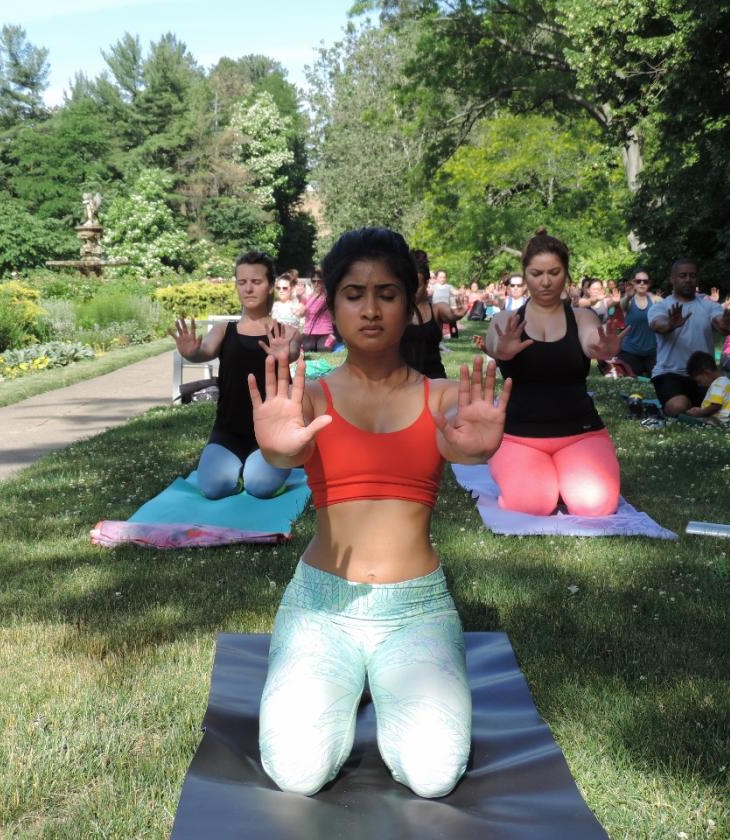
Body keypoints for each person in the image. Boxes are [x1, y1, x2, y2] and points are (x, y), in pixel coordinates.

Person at [251, 227, 511, 798]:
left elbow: (461, 444)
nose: (370, 309)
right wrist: (278, 449)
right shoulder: (309, 398)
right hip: (322, 607)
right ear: (332, 302)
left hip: (415, 611)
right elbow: (280, 448)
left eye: (388, 294)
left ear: (412, 301)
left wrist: (478, 448)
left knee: (434, 775)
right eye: (354, 293)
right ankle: (348, 682)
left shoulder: (441, 398)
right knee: (296, 772)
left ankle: (381, 684)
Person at [481, 229, 628, 517]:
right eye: (537, 273)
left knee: (595, 507)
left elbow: (590, 340)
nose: (546, 281)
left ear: (566, 274)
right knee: (531, 506)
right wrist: (503, 349)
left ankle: (562, 477)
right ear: (525, 275)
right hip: (518, 435)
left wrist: (601, 347)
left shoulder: (583, 317)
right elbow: (494, 345)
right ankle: (546, 480)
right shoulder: (504, 320)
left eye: (554, 272)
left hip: (581, 433)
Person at [171, 251, 300, 499]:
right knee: (213, 488)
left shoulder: (287, 333)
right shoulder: (223, 331)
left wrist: (285, 353)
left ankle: (260, 470)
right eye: (242, 282)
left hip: (273, 431)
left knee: (260, 486)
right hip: (229, 429)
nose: (248, 289)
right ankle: (238, 472)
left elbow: (292, 352)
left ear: (270, 286)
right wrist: (192, 353)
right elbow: (204, 351)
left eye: (256, 282)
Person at [648, 258, 730, 417]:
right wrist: (670, 323)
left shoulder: (709, 305)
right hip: (670, 373)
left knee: (718, 409)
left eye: (692, 276)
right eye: (683, 275)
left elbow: (721, 324)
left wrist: (726, 325)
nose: (688, 280)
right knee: (678, 406)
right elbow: (657, 324)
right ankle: (681, 403)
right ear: (672, 279)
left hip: (703, 375)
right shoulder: (660, 306)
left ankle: (693, 403)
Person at [401, 249, 468, 379]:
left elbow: (449, 314)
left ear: (426, 283)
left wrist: (457, 314)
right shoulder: (396, 310)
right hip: (403, 380)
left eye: (417, 285)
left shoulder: (436, 309)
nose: (411, 289)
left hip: (434, 379)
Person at [617, 268, 662, 377]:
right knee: (632, 378)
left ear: (649, 284)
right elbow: (622, 304)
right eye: (638, 281)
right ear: (633, 282)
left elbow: (672, 308)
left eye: (645, 281)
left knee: (659, 377)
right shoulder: (628, 300)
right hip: (630, 352)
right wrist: (628, 296)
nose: (642, 283)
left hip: (652, 352)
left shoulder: (656, 300)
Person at [685, 351, 730, 426]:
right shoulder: (724, 380)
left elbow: (716, 406)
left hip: (716, 419)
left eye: (699, 381)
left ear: (706, 373)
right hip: (720, 418)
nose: (699, 385)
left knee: (687, 419)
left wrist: (701, 412)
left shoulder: (718, 384)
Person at [301, 270, 336, 352]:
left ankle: (332, 339)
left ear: (324, 282)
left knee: (323, 348)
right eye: (314, 281)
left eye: (319, 281)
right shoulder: (307, 297)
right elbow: (301, 313)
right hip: (310, 332)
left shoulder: (328, 297)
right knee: (307, 348)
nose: (316, 284)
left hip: (325, 331)